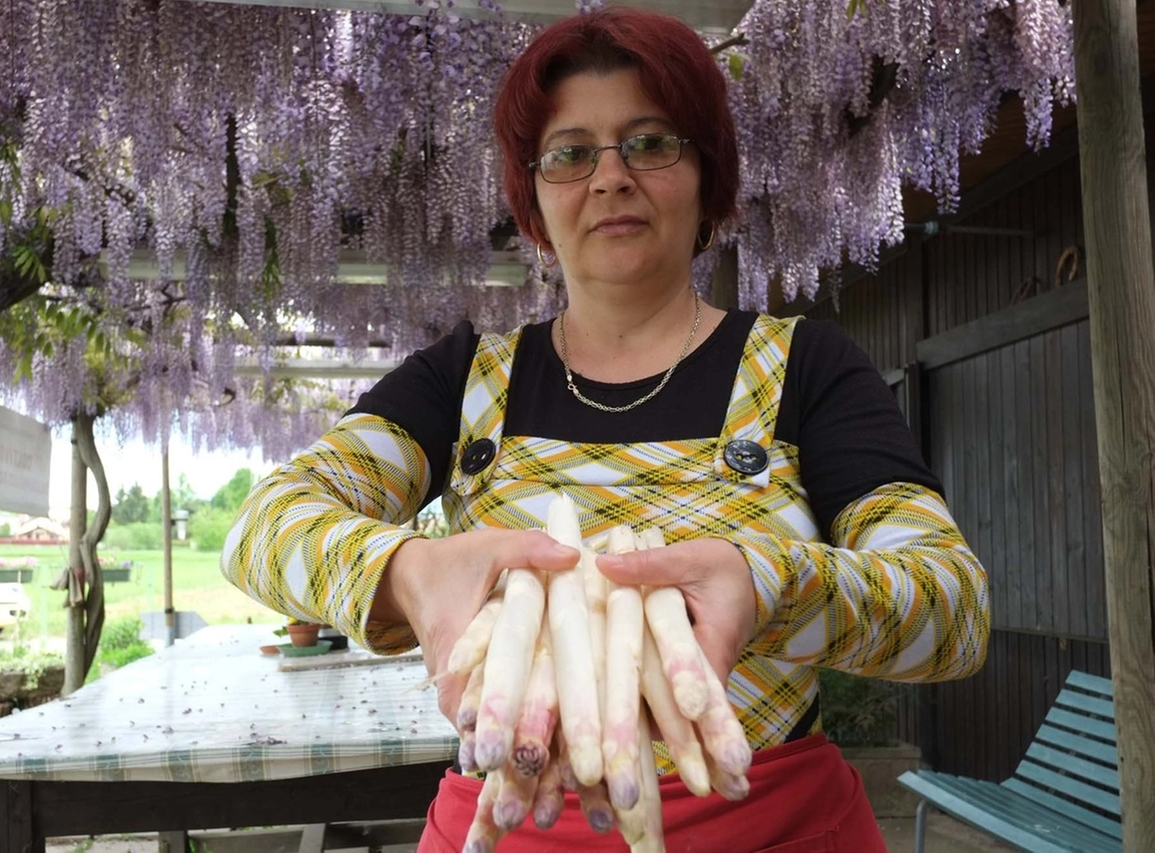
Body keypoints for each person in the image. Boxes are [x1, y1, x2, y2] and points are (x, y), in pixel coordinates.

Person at [222, 8, 989, 851]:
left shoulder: (803, 366)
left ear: (708, 177)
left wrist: (770, 584)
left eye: (652, 142)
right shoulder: (464, 379)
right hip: (511, 826)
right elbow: (263, 527)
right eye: (570, 152)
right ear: (534, 197)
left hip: (774, 827)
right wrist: (407, 571)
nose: (611, 176)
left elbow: (950, 607)